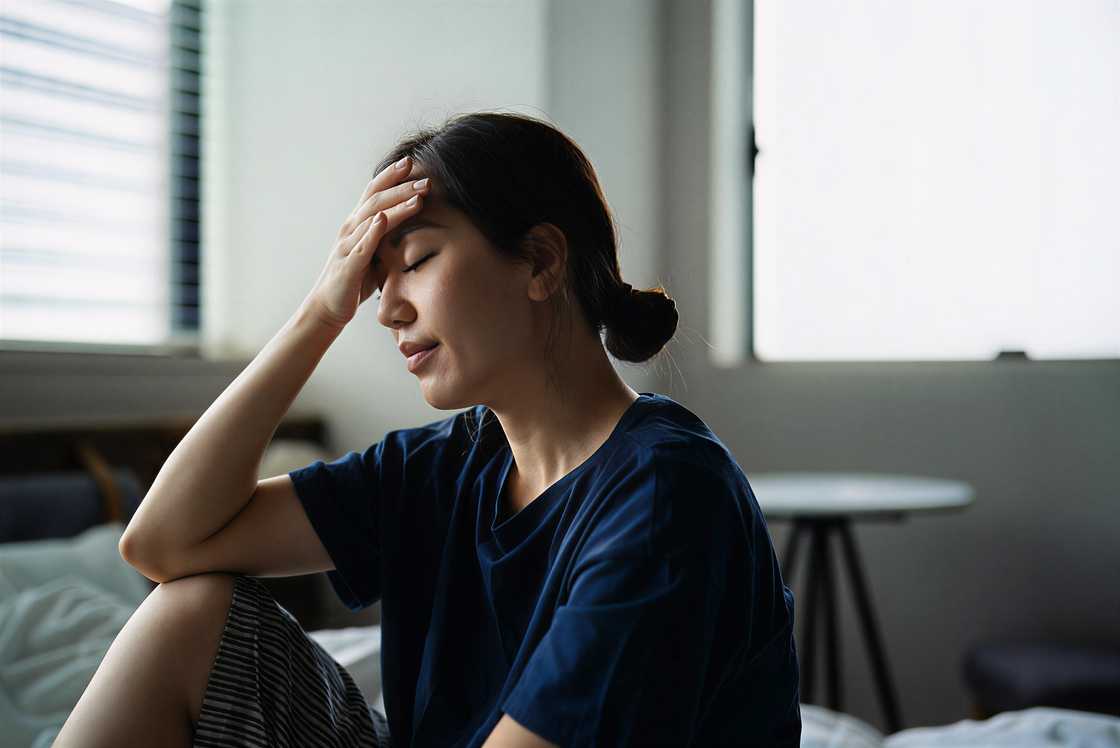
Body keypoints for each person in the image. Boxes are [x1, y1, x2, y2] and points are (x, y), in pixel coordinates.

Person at [56, 111, 800, 748]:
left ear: (540, 261)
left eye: (417, 262)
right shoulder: (448, 465)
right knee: (191, 612)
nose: (385, 310)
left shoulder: (665, 493)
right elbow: (162, 545)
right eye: (375, 282)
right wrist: (320, 314)